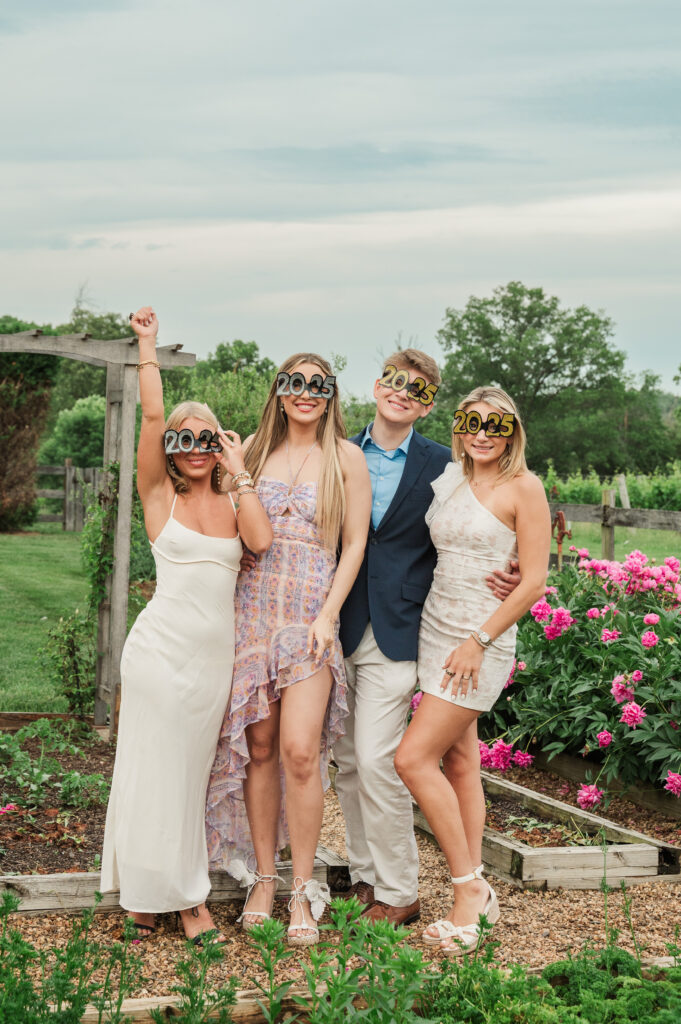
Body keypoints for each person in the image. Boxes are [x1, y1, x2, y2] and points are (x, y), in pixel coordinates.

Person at [100, 306, 273, 944]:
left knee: (187, 775)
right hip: (158, 652)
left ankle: (147, 898)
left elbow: (260, 540)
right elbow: (150, 414)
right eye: (185, 439)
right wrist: (147, 344)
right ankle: (187, 900)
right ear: (170, 449)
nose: (195, 448)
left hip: (211, 662)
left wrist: (240, 469)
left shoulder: (233, 499)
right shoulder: (158, 496)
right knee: (153, 769)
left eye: (207, 438)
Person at [335, 350, 521, 927]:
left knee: (381, 758)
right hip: (336, 623)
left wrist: (511, 567)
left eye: (417, 389)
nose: (402, 393)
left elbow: (492, 521)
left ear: (430, 403)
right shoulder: (337, 452)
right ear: (376, 385)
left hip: (405, 629)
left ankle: (400, 889)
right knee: (346, 761)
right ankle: (366, 876)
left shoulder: (447, 465)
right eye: (394, 382)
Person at [205, 353, 371, 946]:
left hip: (308, 621)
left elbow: (353, 547)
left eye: (316, 384)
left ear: (330, 395)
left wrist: (329, 614)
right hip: (251, 613)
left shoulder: (346, 458)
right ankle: (264, 879)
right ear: (278, 390)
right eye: (293, 382)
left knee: (302, 752)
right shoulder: (251, 449)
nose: (305, 393)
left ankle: (304, 886)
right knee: (260, 746)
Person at [394, 386, 550, 953]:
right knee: (460, 760)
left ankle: (469, 889)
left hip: (479, 640)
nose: (483, 432)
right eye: (472, 421)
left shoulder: (524, 488)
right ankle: (477, 886)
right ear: (460, 424)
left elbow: (532, 579)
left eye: (495, 424)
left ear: (512, 431)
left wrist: (479, 640)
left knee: (412, 759)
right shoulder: (451, 477)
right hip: (435, 626)